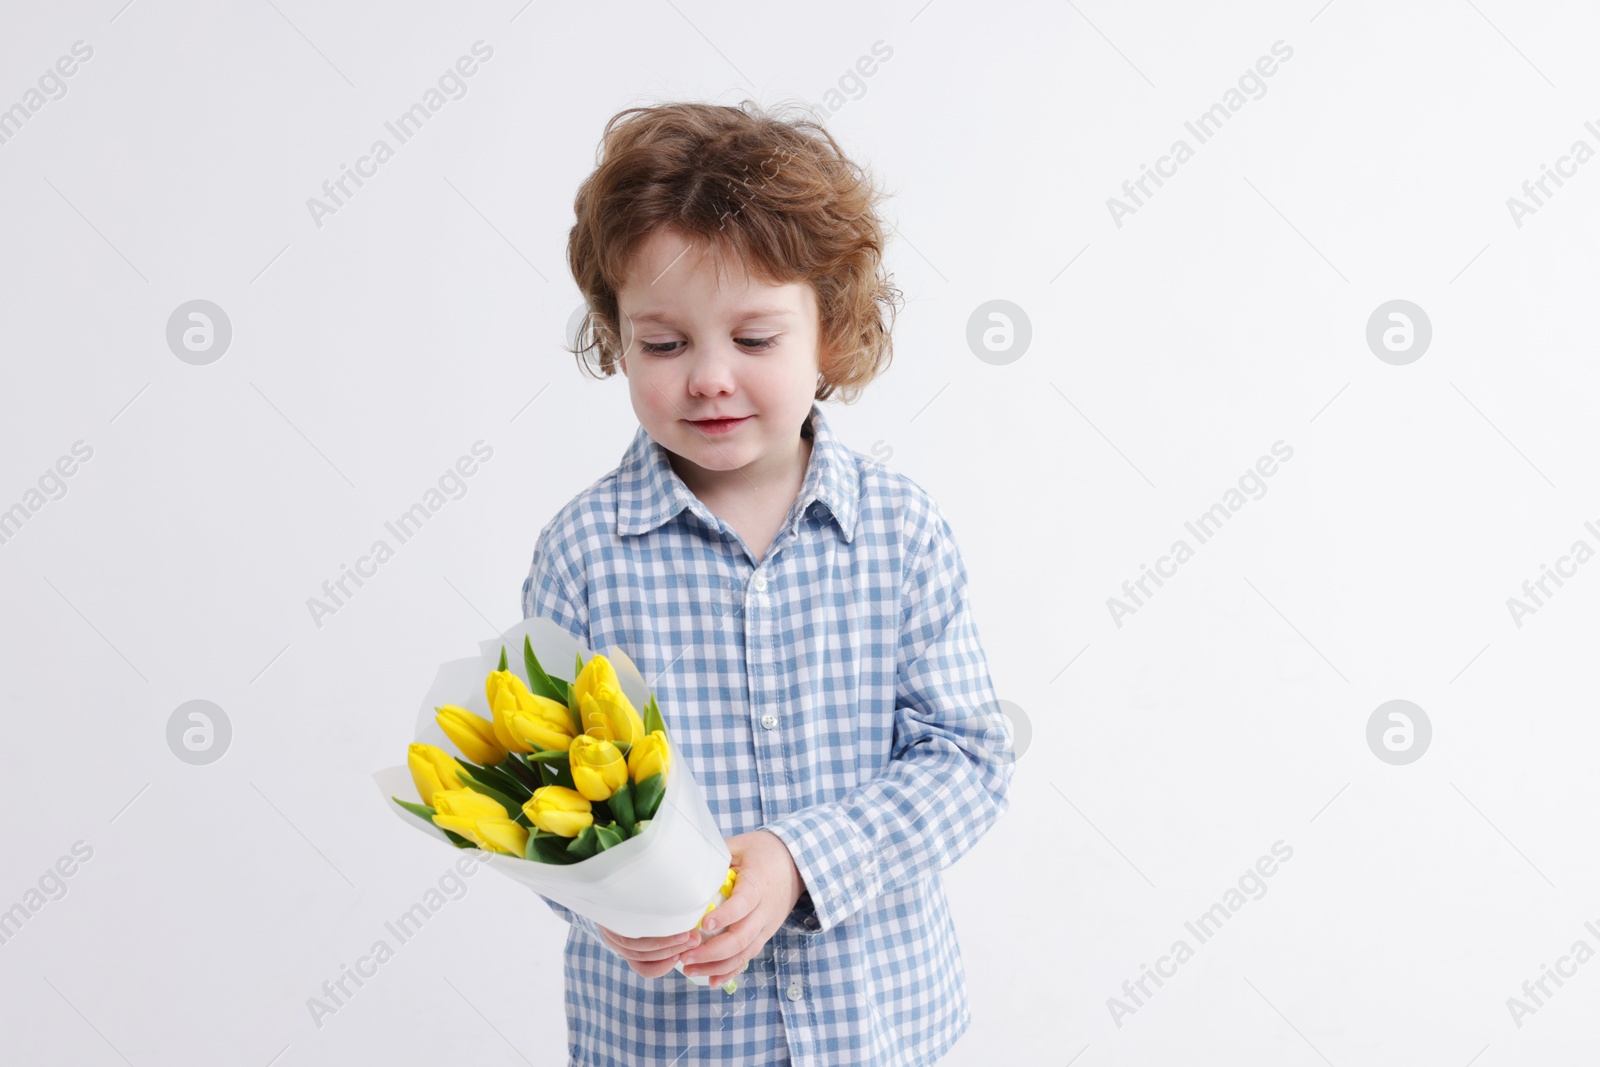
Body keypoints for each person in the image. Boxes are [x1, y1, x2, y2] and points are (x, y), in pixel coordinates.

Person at [521, 99, 1014, 1067]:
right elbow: (542, 789)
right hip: (665, 1039)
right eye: (663, 344)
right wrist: (600, 891)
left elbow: (966, 757)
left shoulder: (899, 531)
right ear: (616, 339)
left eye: (753, 339)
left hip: (879, 1029)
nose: (708, 377)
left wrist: (802, 857)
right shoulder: (582, 552)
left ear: (829, 333)